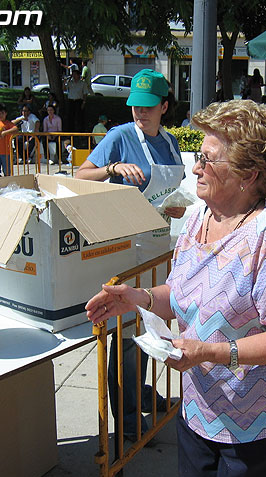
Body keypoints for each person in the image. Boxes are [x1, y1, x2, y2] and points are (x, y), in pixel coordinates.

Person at [84, 99, 266, 477]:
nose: (196, 167)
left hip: (263, 425)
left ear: (249, 174)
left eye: (208, 160)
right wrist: (138, 298)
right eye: (199, 156)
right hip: (201, 411)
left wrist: (210, 352)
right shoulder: (199, 219)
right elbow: (180, 293)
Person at [76, 69, 185, 440]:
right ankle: (124, 418)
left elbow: (174, 198)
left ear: (164, 107)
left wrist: (176, 208)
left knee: (149, 328)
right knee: (123, 335)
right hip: (126, 248)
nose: (140, 113)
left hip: (157, 249)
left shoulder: (170, 143)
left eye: (148, 107)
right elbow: (79, 175)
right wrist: (110, 168)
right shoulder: (119, 136)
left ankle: (141, 393)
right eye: (136, 107)